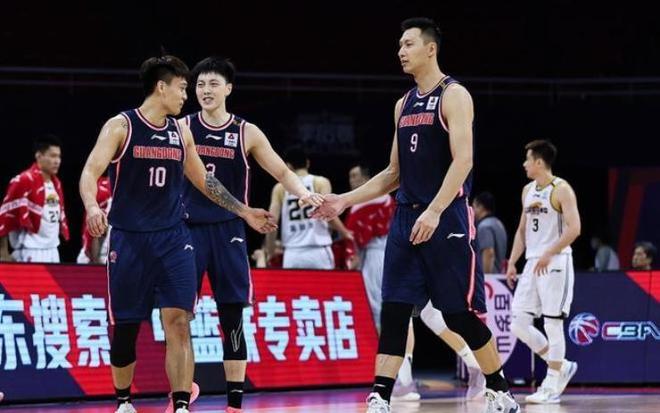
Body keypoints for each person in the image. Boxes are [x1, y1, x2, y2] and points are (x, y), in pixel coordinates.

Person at [314, 17, 519, 413]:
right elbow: (393, 173)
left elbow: (464, 160)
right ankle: (380, 395)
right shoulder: (403, 104)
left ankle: (499, 388)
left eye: (408, 44)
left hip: (447, 218)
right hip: (406, 219)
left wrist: (435, 210)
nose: (401, 52)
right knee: (394, 312)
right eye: (399, 45)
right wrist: (343, 200)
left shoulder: (454, 95)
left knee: (458, 315)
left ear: (431, 48)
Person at [79, 55, 276, 413]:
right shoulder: (121, 126)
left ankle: (182, 404)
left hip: (174, 239)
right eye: (183, 88)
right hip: (129, 238)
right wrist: (93, 207)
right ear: (161, 87)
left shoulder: (180, 132)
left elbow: (205, 181)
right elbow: (90, 172)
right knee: (126, 327)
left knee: (179, 321)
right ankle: (124, 401)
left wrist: (244, 211)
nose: (187, 95)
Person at [181, 56, 323, 413]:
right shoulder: (183, 127)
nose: (206, 90)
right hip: (187, 229)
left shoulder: (246, 132)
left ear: (228, 88)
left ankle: (234, 404)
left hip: (229, 231)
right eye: (200, 85)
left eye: (213, 84)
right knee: (179, 317)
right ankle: (181, 396)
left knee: (232, 317)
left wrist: (304, 194)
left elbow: (282, 171)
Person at [345, 165, 485, 402]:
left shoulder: (370, 201)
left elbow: (353, 236)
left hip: (388, 252)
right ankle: (474, 364)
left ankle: (405, 381)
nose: (352, 181)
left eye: (356, 176)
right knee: (430, 314)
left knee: (398, 313)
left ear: (369, 178)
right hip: (415, 243)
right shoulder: (392, 199)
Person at [506, 139, 580, 404]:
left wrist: (550, 252)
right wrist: (513, 261)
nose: (524, 164)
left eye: (528, 159)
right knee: (518, 324)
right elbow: (522, 231)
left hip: (556, 261)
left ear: (539, 162)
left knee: (552, 323)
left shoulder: (561, 189)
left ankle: (551, 384)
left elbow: (575, 228)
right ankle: (561, 365)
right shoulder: (527, 190)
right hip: (532, 262)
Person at [266, 146, 351, 269]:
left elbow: (271, 221)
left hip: (292, 254)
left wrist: (270, 251)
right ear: (307, 163)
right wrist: (345, 232)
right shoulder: (320, 182)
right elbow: (329, 213)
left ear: (288, 166)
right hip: (319, 251)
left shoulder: (280, 188)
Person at [0, 134, 69, 263]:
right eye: (52, 156)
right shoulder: (23, 180)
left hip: (53, 250)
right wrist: (3, 253)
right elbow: (3, 216)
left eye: (59, 156)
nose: (57, 161)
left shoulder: (57, 184)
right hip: (30, 250)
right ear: (39, 156)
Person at [76, 176, 112, 264]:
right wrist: (95, 260)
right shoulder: (105, 190)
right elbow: (97, 231)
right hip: (97, 257)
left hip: (110, 255)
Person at [472, 191, 508, 273]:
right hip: (499, 275)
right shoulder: (499, 224)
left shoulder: (484, 226)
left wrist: (486, 276)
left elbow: (489, 253)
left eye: (474, 207)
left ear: (481, 207)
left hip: (489, 276)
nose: (472, 211)